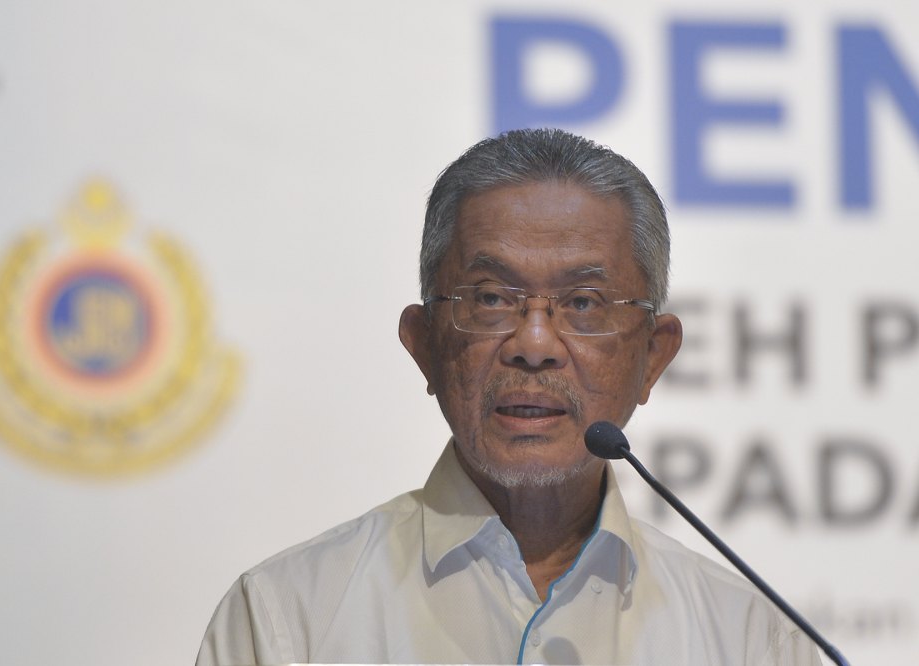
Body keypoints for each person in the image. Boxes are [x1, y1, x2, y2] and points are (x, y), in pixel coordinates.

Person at [196, 129, 822, 665]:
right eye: (491, 298)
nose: (534, 342)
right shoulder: (286, 622)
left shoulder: (750, 640)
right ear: (422, 343)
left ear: (653, 356)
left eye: (583, 303)